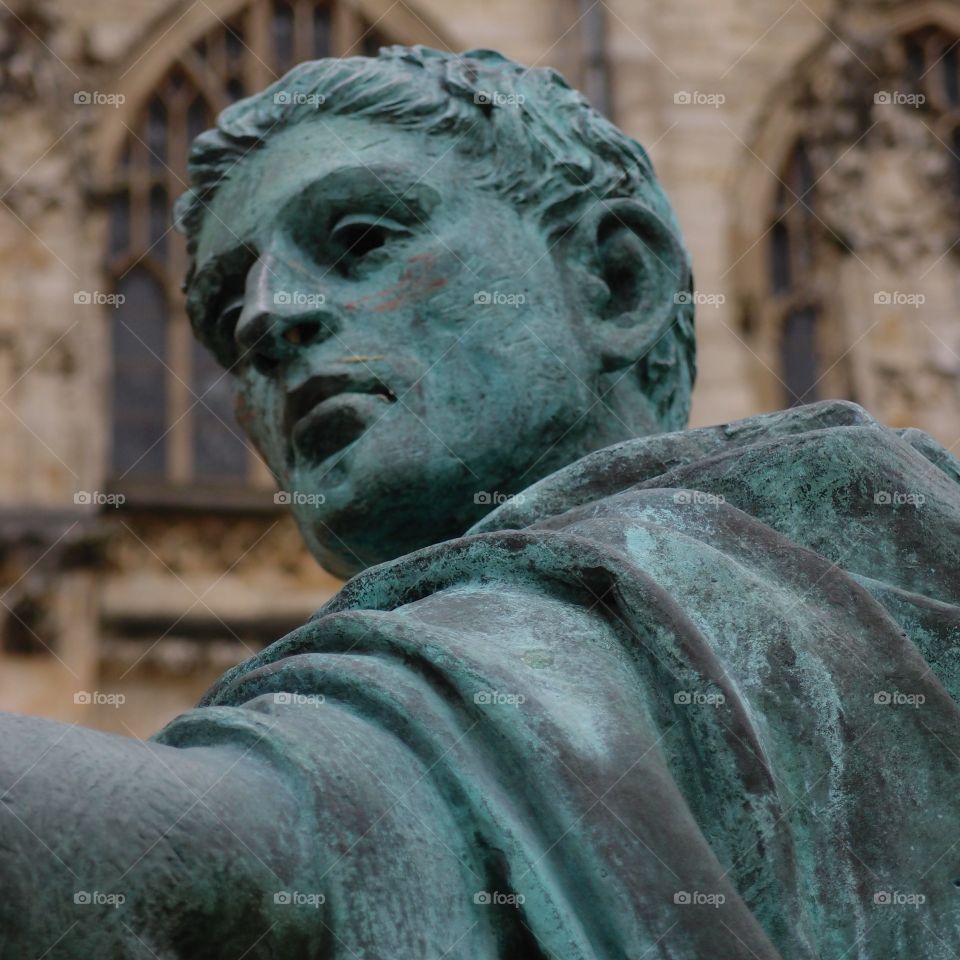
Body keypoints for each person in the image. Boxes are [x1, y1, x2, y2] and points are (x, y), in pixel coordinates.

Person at [2, 45, 959, 959]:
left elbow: (265, 849)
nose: (265, 317)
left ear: (617, 280)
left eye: (362, 238)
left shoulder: (753, 584)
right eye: (222, 311)